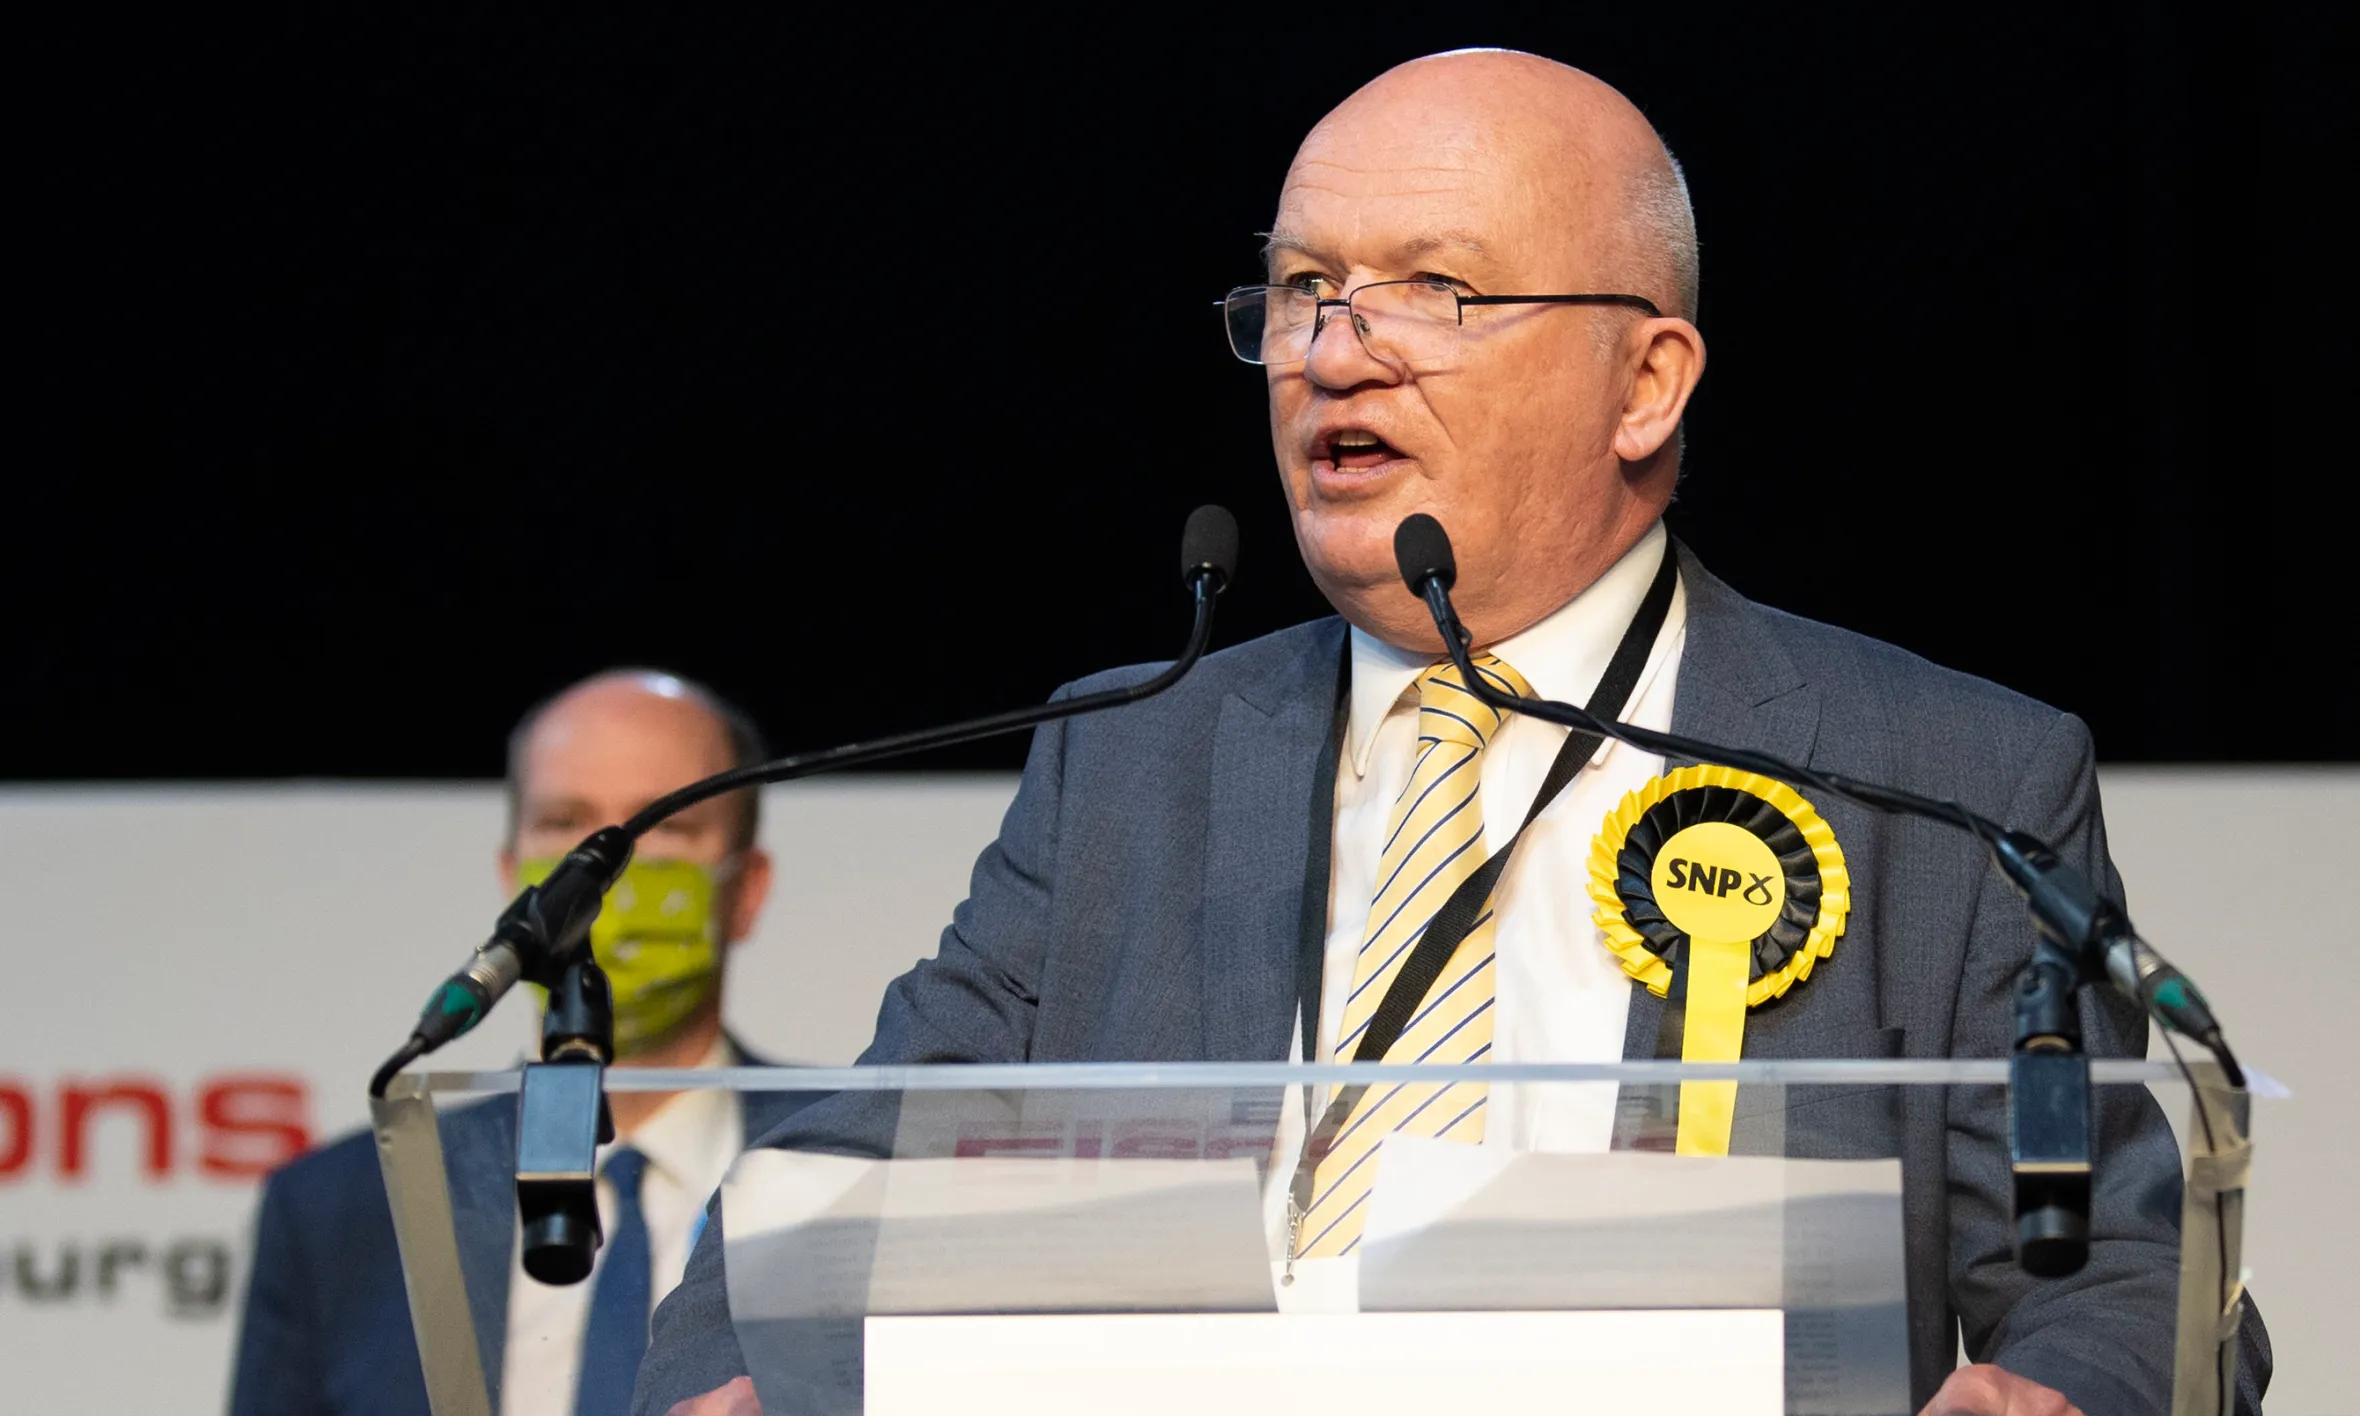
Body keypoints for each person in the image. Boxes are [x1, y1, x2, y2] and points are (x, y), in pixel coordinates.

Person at [635, 51, 2270, 1416]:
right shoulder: (1136, 763)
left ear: (1648, 384)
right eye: (1300, 291)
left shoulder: (1944, 784)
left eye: (1439, 289)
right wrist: (737, 1378)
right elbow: (827, 1195)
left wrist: (2057, 1393)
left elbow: (2119, 1271)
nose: (1336, 351)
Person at [231, 669, 820, 1416]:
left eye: (666, 826)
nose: (608, 873)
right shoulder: (341, 1213)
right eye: (565, 825)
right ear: (514, 875)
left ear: (749, 887)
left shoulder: (853, 1166)